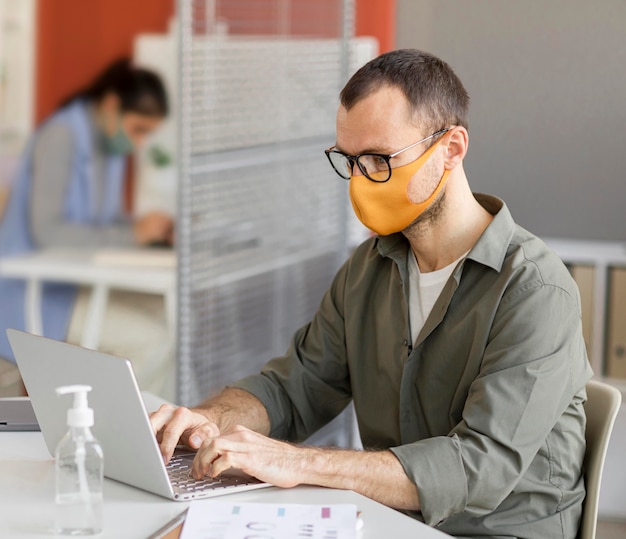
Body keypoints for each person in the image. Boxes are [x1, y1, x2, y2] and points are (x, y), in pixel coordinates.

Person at [150, 49, 592, 538]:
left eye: (379, 159)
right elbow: (294, 387)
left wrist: (298, 462)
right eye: (350, 161)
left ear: (451, 148)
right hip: (392, 522)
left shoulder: (535, 290)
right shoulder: (368, 269)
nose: (360, 182)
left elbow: (476, 467)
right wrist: (207, 421)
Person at [0, 58, 173, 365]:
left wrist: (147, 230)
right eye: (138, 129)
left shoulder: (111, 148)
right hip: (32, 291)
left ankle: (176, 413)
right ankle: (135, 415)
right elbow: (49, 232)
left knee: (171, 317)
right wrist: (132, 233)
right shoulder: (60, 136)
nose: (139, 142)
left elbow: (108, 222)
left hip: (77, 282)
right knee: (153, 337)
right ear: (111, 105)